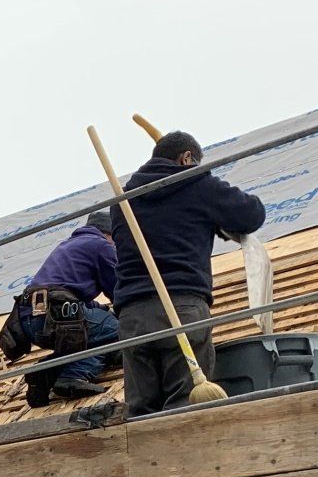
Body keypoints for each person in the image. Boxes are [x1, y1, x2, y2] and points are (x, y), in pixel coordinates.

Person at [109, 130, 265, 416]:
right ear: (186, 158)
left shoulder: (123, 201)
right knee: (184, 407)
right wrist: (205, 187)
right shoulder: (196, 183)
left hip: (132, 317)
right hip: (181, 305)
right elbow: (252, 214)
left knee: (140, 411)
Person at [3, 210, 121, 407]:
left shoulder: (68, 245)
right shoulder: (102, 245)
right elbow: (118, 288)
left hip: (30, 320)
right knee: (117, 330)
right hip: (59, 316)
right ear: (109, 233)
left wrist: (100, 309)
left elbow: (69, 291)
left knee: (92, 333)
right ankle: (73, 376)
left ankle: (47, 371)